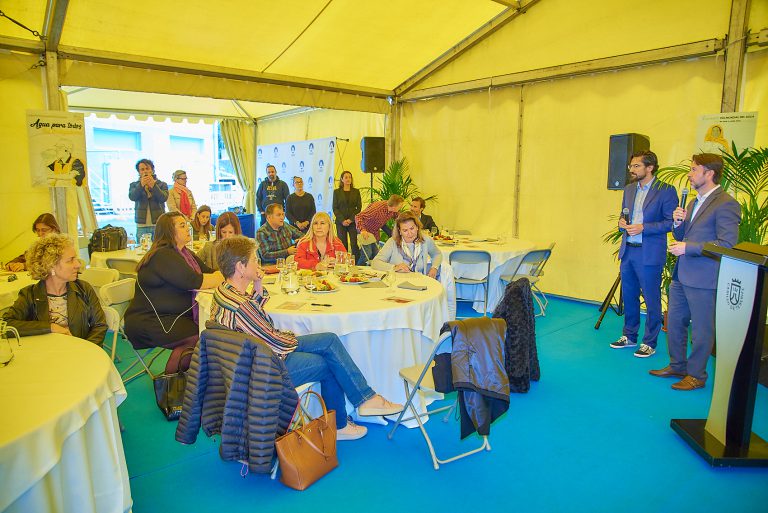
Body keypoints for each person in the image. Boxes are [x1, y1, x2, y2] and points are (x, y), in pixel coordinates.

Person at [211, 236, 403, 440]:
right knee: (329, 362)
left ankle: (366, 400)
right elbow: (273, 341)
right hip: (265, 368)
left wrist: (258, 284)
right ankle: (339, 425)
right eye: (254, 260)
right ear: (241, 267)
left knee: (329, 340)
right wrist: (294, 339)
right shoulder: (241, 307)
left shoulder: (225, 293)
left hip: (253, 358)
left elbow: (256, 322)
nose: (258, 264)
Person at [650, 153, 741, 390]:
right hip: (682, 275)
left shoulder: (726, 203)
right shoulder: (692, 202)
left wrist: (689, 248)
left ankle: (697, 375)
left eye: (693, 170)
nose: (689, 174)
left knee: (701, 330)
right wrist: (678, 224)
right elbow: (681, 237)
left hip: (704, 278)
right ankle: (677, 365)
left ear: (709, 173)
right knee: (676, 323)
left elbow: (728, 244)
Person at [125, 212, 224, 373]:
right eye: (182, 225)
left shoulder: (185, 254)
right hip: (150, 322)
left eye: (186, 224)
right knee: (202, 335)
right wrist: (220, 276)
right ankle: (171, 384)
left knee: (208, 331)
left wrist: (218, 275)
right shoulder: (163, 255)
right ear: (169, 231)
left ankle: (181, 380)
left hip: (171, 317)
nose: (188, 229)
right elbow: (196, 281)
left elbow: (209, 272)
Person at [609, 151, 678, 358]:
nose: (631, 170)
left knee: (651, 298)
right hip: (628, 250)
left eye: (637, 166)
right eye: (631, 166)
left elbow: (670, 222)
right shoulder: (629, 189)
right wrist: (622, 223)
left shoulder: (666, 191)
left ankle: (649, 341)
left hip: (649, 253)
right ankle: (629, 336)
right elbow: (625, 214)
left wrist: (643, 228)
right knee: (629, 296)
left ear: (650, 168)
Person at [3, 234, 106, 345]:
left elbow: (99, 325)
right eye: (70, 260)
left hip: (79, 354)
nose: (78, 264)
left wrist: (85, 349)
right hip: (46, 355)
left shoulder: (84, 289)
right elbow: (5, 324)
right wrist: (49, 327)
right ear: (51, 266)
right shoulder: (29, 295)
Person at [372, 212, 442, 279]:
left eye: (412, 228)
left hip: (420, 281)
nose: (410, 233)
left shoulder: (426, 240)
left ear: (417, 227)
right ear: (400, 231)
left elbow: (437, 254)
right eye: (405, 230)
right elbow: (375, 262)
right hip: (397, 282)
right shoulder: (392, 242)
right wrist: (395, 267)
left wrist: (434, 268)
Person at [354, 194, 404, 264]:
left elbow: (397, 216)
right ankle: (358, 271)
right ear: (394, 205)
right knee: (366, 255)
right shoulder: (377, 209)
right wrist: (363, 230)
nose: (401, 207)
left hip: (374, 232)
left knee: (376, 255)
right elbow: (358, 217)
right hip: (365, 230)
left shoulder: (392, 210)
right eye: (400, 206)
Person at [128, 158, 168, 240]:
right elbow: (132, 197)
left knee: (159, 249)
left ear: (152, 170)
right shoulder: (134, 185)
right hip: (141, 225)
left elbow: (163, 198)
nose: (145, 171)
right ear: (139, 172)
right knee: (142, 251)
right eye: (142, 169)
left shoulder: (161, 184)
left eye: (147, 169)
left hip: (158, 223)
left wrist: (154, 186)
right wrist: (141, 185)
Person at [332, 171, 362, 262]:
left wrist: (350, 219)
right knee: (342, 243)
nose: (348, 179)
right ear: (342, 179)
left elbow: (359, 207)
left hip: (352, 222)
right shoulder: (336, 192)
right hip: (341, 223)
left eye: (350, 177)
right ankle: (343, 262)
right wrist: (342, 220)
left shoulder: (356, 191)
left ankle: (355, 263)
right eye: (346, 177)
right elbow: (335, 208)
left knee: (354, 244)